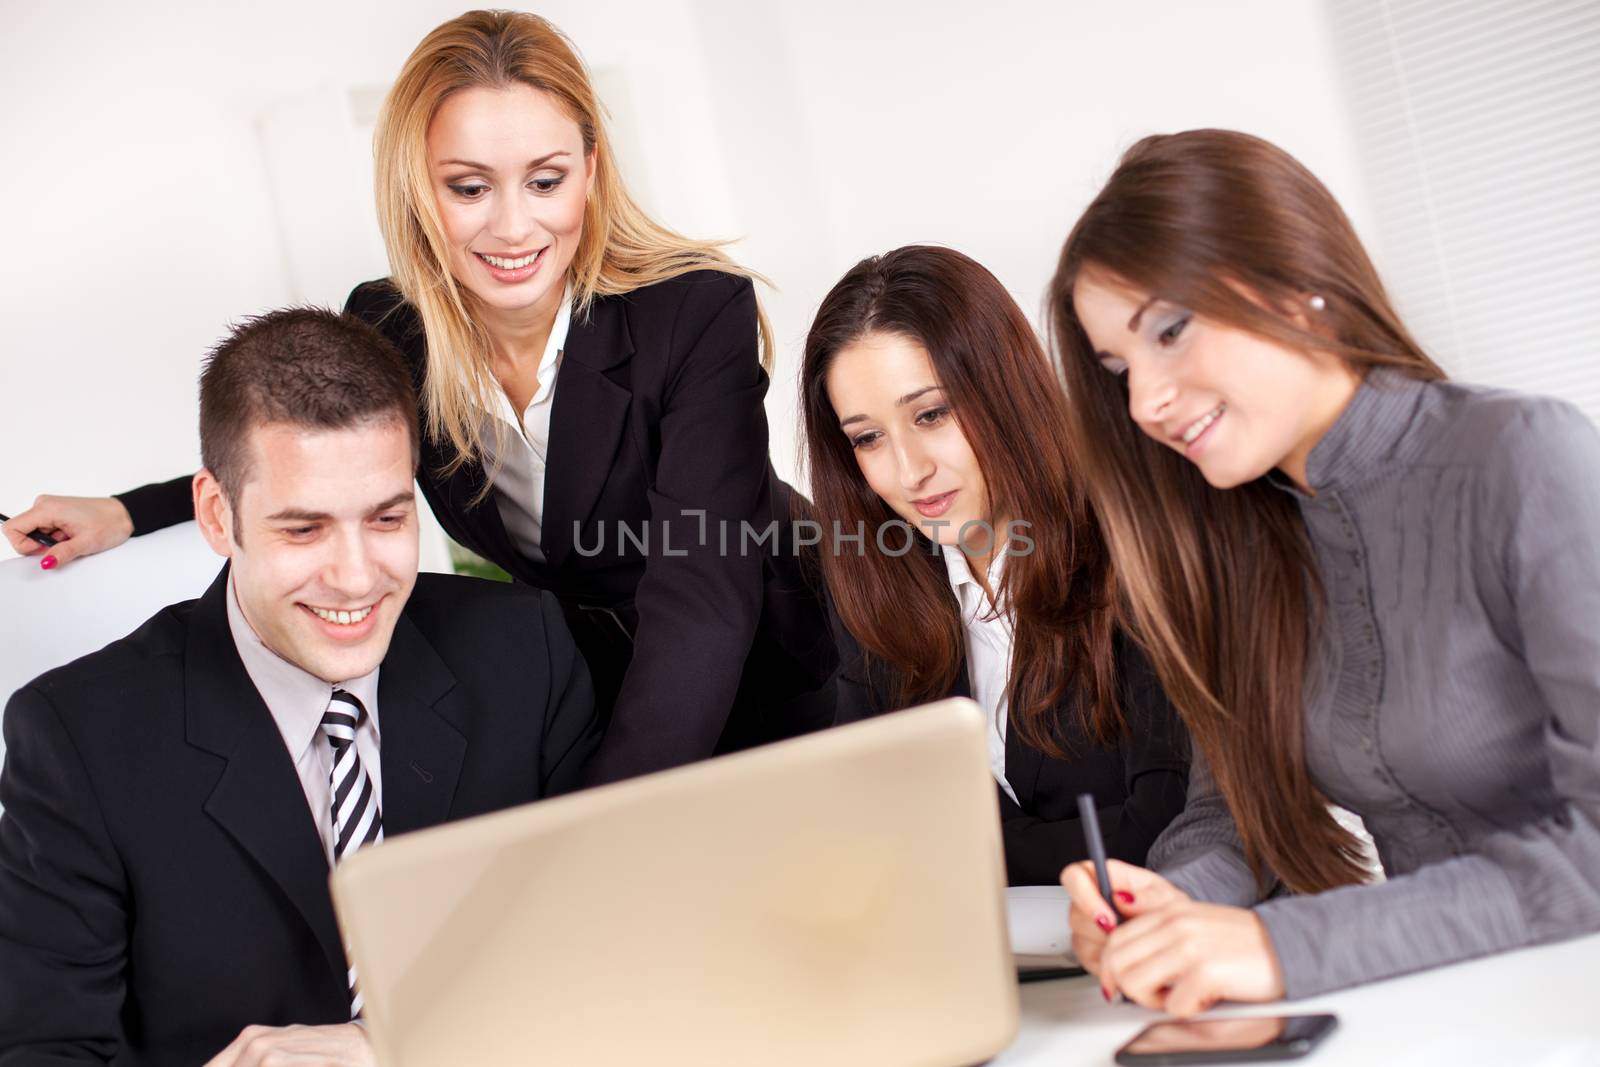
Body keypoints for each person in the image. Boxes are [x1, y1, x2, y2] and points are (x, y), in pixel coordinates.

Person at [1, 9, 833, 786]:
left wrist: (615, 815)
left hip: (769, 657)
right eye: (470, 188)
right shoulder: (393, 325)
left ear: (590, 171)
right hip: (591, 675)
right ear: (417, 189)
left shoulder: (690, 312)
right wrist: (123, 512)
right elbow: (304, 454)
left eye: (545, 181)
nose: (513, 228)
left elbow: (702, 595)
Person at [1050, 129, 1600, 1013]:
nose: (1145, 401)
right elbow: (1235, 810)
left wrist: (1283, 945)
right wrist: (1173, 904)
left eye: (1171, 330)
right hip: (1442, 1010)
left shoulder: (1522, 456)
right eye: (1119, 368)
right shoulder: (1240, 529)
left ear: (1298, 281)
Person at [0, 308, 600, 1064]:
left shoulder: (525, 654)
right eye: (304, 529)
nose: (356, 577)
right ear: (218, 515)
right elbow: (44, 1052)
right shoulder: (77, 740)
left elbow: (605, 946)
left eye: (387, 517)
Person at [800, 245, 1189, 886]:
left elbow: (1162, 832)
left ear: (1004, 391)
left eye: (932, 414)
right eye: (868, 437)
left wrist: (961, 844)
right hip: (1007, 965)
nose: (909, 471)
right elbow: (867, 822)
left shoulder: (1133, 545)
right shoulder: (882, 583)